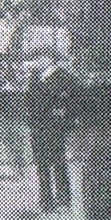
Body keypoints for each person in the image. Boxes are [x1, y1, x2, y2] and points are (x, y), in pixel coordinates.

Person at [25, 53, 78, 211]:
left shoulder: (64, 76)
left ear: (50, 59)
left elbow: (73, 101)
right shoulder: (34, 76)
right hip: (37, 128)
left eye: (42, 57)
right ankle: (46, 200)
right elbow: (29, 101)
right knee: (42, 165)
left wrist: (66, 121)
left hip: (55, 128)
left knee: (58, 163)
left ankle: (63, 199)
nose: (37, 61)